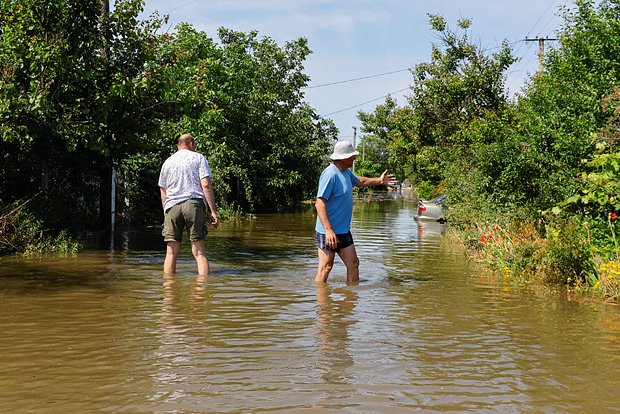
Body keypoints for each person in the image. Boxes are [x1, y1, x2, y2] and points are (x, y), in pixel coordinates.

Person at [314, 140, 397, 284]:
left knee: (353, 264)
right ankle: (322, 305)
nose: (355, 158)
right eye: (352, 156)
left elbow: (360, 182)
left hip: (343, 230)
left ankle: (351, 300)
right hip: (328, 231)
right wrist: (328, 230)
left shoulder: (346, 172)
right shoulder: (330, 174)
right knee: (326, 267)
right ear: (343, 157)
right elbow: (319, 203)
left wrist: (379, 181)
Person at [158, 133, 219, 276]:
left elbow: (163, 190)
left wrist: (166, 211)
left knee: (171, 252)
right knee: (199, 252)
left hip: (172, 206)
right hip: (194, 204)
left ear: (178, 145)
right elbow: (206, 185)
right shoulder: (199, 158)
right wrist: (213, 211)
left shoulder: (168, 162)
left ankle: (169, 292)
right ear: (191, 144)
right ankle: (202, 291)